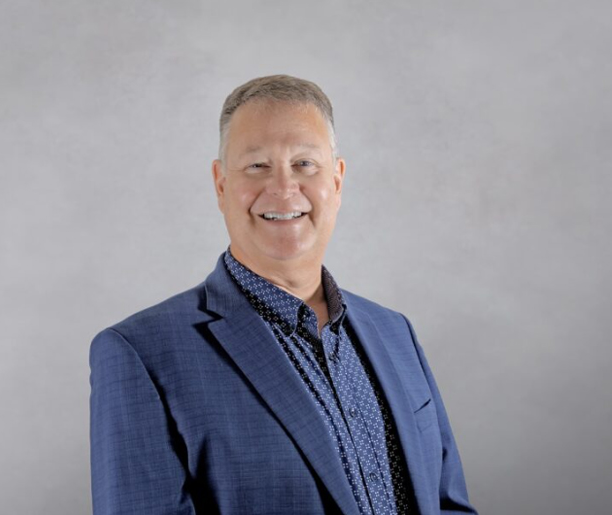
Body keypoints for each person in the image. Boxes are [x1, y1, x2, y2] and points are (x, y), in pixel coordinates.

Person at [89, 75, 477, 515]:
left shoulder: (394, 332)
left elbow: (448, 505)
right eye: (257, 165)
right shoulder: (142, 353)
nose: (283, 188)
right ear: (220, 184)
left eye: (304, 164)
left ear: (337, 180)